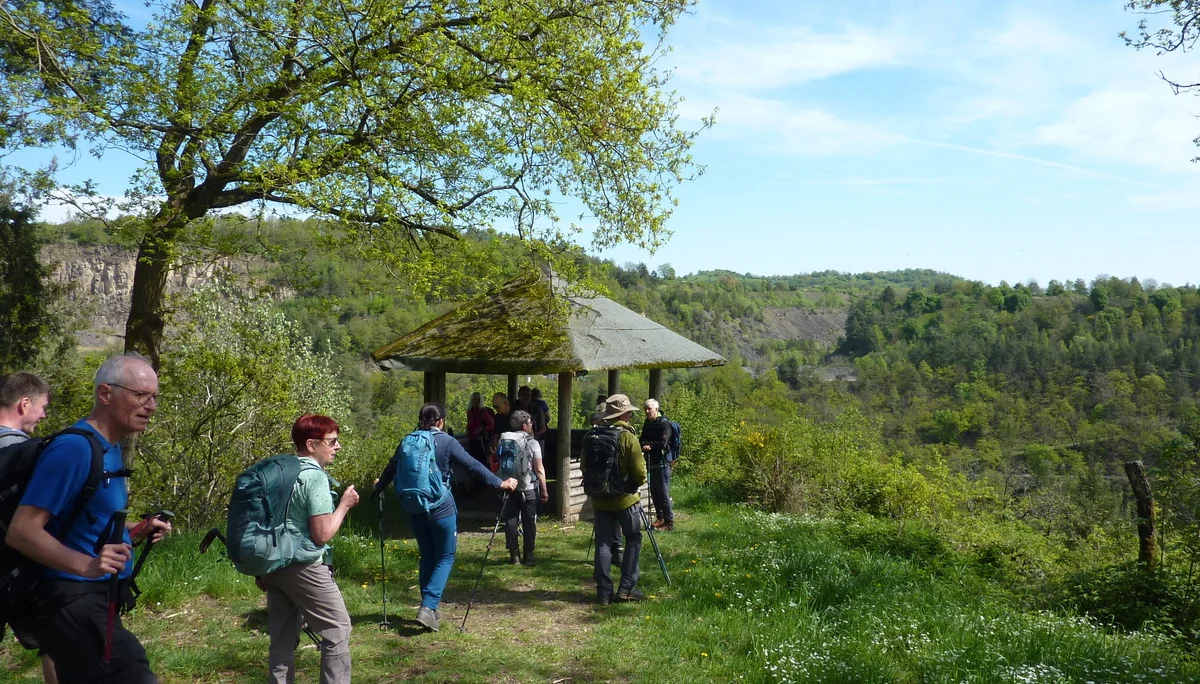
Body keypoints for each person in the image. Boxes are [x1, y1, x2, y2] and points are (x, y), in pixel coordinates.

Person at [8, 353, 172, 684]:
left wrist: (135, 529)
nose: (151, 405)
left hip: (98, 597)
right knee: (134, 674)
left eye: (154, 396)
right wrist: (87, 565)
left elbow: (87, 515)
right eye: (140, 395)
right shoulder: (74, 449)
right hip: (71, 598)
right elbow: (22, 531)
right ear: (105, 394)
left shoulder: (109, 448)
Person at [375, 403, 518, 632]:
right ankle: (428, 606)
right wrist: (499, 483)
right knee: (445, 557)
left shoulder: (407, 440)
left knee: (427, 556)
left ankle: (430, 607)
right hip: (441, 506)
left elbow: (392, 467)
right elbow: (472, 465)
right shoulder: (446, 441)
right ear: (440, 421)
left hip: (415, 507)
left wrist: (378, 487)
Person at [257, 413, 359, 684]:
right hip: (304, 566)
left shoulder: (281, 474)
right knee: (337, 629)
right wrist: (345, 505)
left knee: (281, 638)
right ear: (312, 445)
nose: (337, 447)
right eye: (332, 441)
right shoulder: (314, 478)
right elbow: (322, 534)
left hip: (274, 565)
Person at [0, 372, 58, 684]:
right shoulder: (25, 455)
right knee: (59, 641)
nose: (44, 414)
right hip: (17, 571)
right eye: (42, 407)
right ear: (24, 404)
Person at [582, 394, 647, 605]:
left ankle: (603, 592)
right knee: (633, 539)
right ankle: (626, 588)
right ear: (625, 414)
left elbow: (584, 467)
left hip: (599, 499)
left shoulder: (591, 435)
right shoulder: (628, 437)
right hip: (625, 499)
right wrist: (632, 484)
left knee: (603, 543)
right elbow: (640, 473)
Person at [500, 410, 549, 565]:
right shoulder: (532, 442)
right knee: (529, 522)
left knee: (511, 520)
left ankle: (514, 556)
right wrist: (544, 490)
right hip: (528, 487)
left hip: (509, 485)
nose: (532, 424)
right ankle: (529, 555)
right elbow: (539, 469)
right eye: (529, 422)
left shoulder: (504, 439)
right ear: (524, 425)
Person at [640, 398, 674, 531]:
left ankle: (669, 522)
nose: (647, 411)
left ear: (656, 409)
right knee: (654, 491)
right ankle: (660, 518)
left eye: (650, 409)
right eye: (646, 409)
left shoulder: (664, 424)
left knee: (663, 492)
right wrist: (644, 445)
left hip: (663, 462)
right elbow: (641, 439)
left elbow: (663, 443)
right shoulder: (647, 423)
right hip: (651, 461)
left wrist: (649, 446)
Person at [465, 391, 495, 461]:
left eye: (478, 399)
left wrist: (482, 429)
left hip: (480, 440)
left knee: (481, 459)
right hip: (471, 439)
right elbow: (469, 423)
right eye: (474, 399)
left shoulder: (483, 412)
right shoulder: (469, 412)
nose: (476, 401)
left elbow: (492, 424)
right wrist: (467, 429)